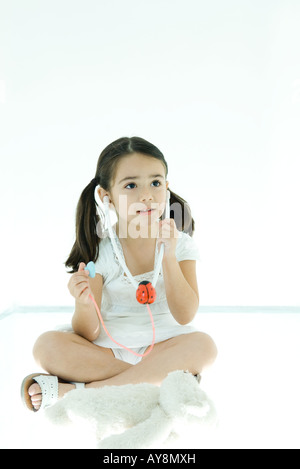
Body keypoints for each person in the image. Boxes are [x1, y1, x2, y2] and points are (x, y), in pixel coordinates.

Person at [21, 136, 217, 412]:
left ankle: (78, 393)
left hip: (165, 343)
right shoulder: (99, 252)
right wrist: (84, 301)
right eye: (131, 185)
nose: (146, 194)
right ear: (106, 196)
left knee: (204, 346)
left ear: (167, 188)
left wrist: (169, 255)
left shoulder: (181, 244)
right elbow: (88, 333)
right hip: (108, 349)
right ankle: (156, 384)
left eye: (156, 183)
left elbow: (185, 315)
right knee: (46, 346)